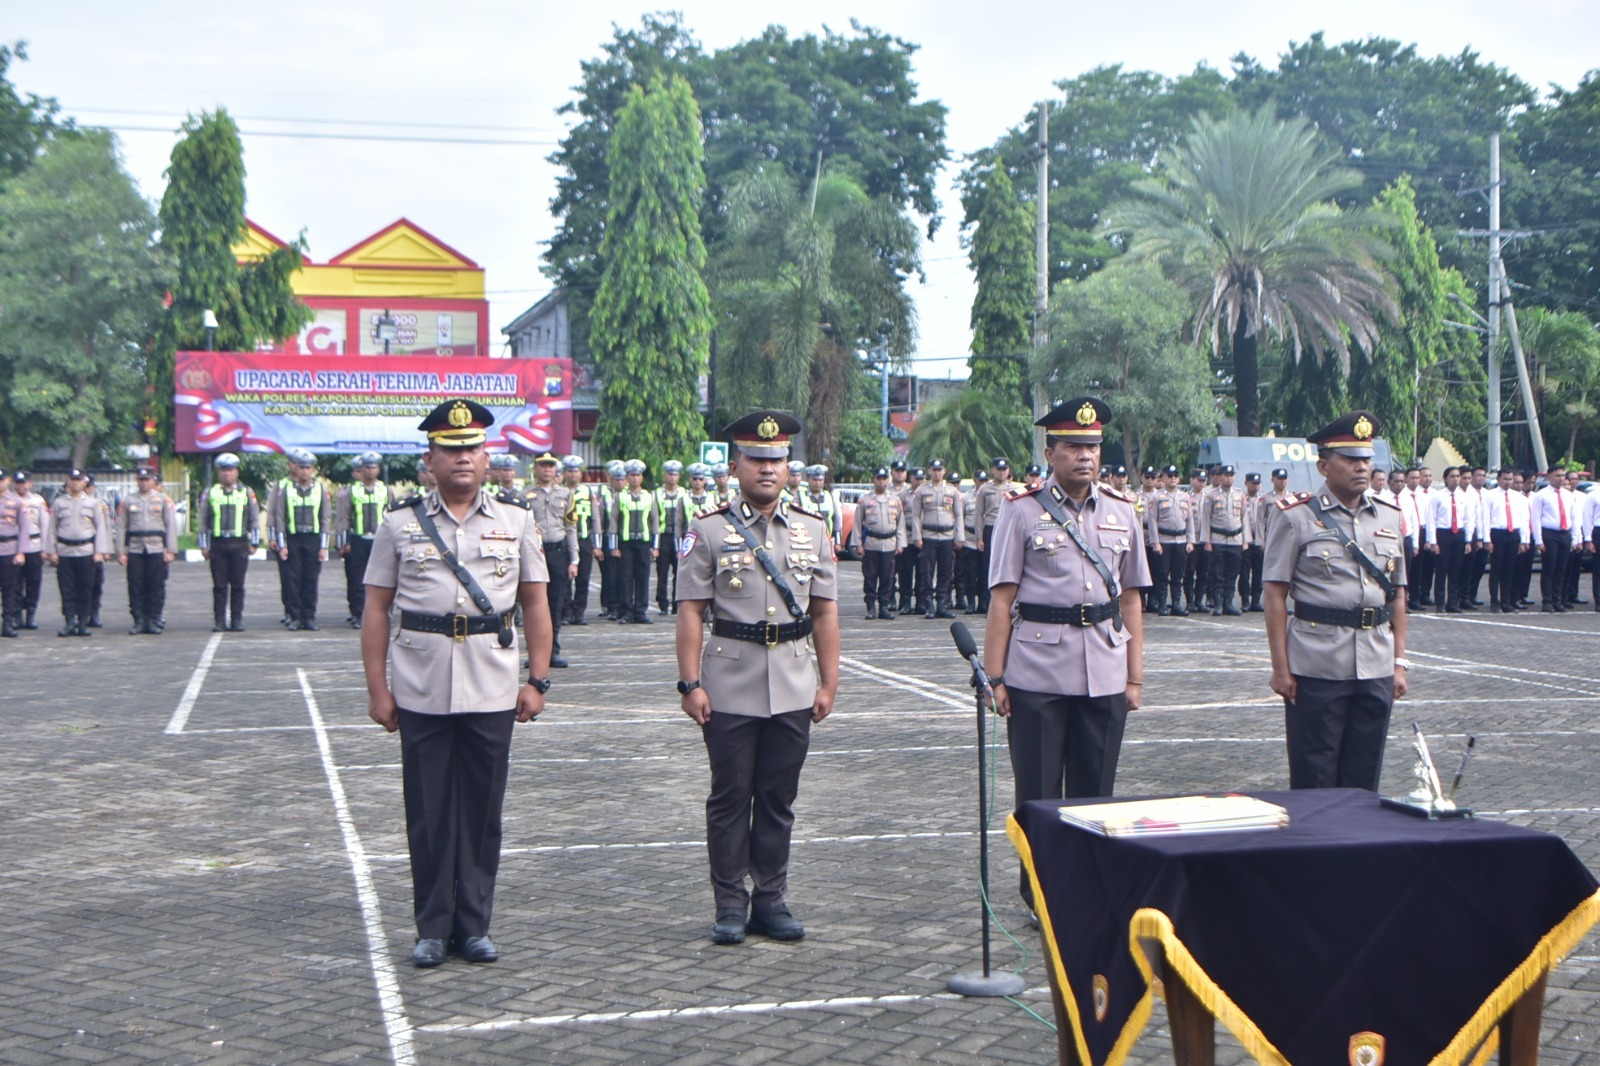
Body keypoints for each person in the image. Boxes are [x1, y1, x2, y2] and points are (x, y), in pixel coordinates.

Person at [361, 398, 552, 968]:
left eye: (471, 448)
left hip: (493, 685)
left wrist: (538, 679)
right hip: (421, 685)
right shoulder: (399, 523)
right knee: (428, 810)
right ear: (431, 459)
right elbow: (376, 609)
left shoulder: (517, 520)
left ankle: (473, 925)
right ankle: (431, 927)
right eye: (450, 449)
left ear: (487, 455)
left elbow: (537, 603)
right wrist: (378, 689)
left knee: (481, 810)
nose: (462, 458)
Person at [675, 410, 839, 945]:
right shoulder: (707, 529)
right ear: (735, 465)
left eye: (777, 459)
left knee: (776, 797)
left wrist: (829, 681)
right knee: (730, 796)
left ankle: (770, 898)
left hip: (792, 679)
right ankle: (729, 903)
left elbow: (825, 612)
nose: (768, 469)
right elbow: (691, 611)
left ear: (789, 466)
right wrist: (689, 683)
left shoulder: (812, 530)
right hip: (728, 682)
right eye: (756, 459)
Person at [984, 397, 1148, 912]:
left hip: (1104, 666)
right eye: (1073, 447)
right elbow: (1002, 598)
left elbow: (1131, 598)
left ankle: (1086, 889)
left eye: (1093, 447)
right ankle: (1040, 894)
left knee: (1095, 793)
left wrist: (1134, 677)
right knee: (1038, 793)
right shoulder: (1021, 509)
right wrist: (996, 676)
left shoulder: (1123, 511)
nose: (1085, 456)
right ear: (1050, 451)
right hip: (1037, 671)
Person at [1263, 411, 1408, 791]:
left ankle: (1358, 849)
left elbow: (1398, 594)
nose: (1361, 468)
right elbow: (1275, 595)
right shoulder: (1296, 518)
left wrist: (1400, 662)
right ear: (1324, 465)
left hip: (1375, 660)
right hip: (1317, 664)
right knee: (1315, 774)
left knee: (1365, 776)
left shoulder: (1389, 517)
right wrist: (1281, 668)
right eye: (1350, 459)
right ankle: (1314, 849)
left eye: (1366, 459)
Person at [525, 452, 578, 666]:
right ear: (535, 468)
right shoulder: (525, 495)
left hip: (558, 551)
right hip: (535, 552)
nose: (547, 470)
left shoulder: (566, 494)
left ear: (556, 469)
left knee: (556, 603)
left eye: (551, 466)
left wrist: (574, 559)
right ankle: (534, 654)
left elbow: (571, 527)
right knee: (533, 605)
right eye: (542, 465)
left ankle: (553, 650)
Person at [197, 452, 259, 632]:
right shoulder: (210, 493)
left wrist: (253, 543)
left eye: (230, 470)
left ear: (237, 472)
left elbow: (254, 519)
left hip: (239, 543)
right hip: (218, 544)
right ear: (219, 473)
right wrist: (204, 545)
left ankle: (237, 619)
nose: (227, 474)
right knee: (219, 585)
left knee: (238, 584)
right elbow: (203, 521)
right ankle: (219, 621)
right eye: (223, 470)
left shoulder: (247, 493)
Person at [45, 469, 110, 637]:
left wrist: (100, 551)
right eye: (72, 479)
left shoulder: (93, 503)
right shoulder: (59, 503)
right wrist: (51, 551)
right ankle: (69, 622)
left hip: (86, 551)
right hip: (65, 551)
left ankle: (83, 622)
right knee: (66, 589)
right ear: (68, 480)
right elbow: (52, 528)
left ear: (84, 482)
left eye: (78, 480)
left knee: (85, 587)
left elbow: (101, 528)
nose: (75, 483)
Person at [274, 449, 331, 630]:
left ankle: (310, 616)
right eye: (301, 467)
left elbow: (325, 518)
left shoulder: (320, 489)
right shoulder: (286, 489)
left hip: (313, 539)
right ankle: (295, 616)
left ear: (313, 469)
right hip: (293, 538)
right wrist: (282, 545)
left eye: (308, 468)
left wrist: (324, 547)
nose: (305, 471)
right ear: (295, 469)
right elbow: (280, 518)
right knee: (293, 579)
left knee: (311, 579)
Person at [117, 466, 179, 635]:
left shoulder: (163, 500)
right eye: (141, 479)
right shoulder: (128, 500)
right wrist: (121, 552)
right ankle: (139, 620)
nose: (144, 483)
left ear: (153, 481)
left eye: (147, 479)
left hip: (156, 547)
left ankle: (153, 619)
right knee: (135, 585)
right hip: (136, 548)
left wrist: (171, 550)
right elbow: (121, 527)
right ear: (137, 481)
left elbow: (170, 526)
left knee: (156, 585)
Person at [335, 452, 394, 629]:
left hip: (379, 540)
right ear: (361, 469)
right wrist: (343, 542)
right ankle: (357, 613)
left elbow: (392, 516)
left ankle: (381, 613)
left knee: (382, 579)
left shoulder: (386, 490)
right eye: (367, 467)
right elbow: (343, 517)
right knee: (356, 579)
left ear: (378, 469)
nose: (370, 470)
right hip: (358, 539)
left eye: (373, 467)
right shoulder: (351, 490)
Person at [908, 458, 965, 619]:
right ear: (930, 471)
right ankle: (929, 605)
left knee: (946, 572)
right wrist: (917, 537)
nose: (937, 472)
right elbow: (916, 515)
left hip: (947, 536)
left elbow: (958, 515)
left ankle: (942, 604)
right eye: (934, 469)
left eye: (940, 469)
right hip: (929, 536)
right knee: (927, 572)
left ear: (944, 471)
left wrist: (959, 537)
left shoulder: (952, 491)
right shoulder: (922, 490)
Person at [851, 465, 905, 619]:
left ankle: (884, 607)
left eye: (884, 479)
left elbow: (900, 523)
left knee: (887, 577)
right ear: (873, 480)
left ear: (888, 480)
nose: (881, 482)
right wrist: (858, 544)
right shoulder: (865, 500)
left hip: (889, 543)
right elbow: (857, 523)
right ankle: (870, 607)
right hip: (871, 543)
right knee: (870, 576)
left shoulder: (895, 499)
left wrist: (901, 543)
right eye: (878, 479)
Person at [609, 459, 658, 624]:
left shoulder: (648, 496)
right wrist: (613, 546)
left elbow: (655, 521)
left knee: (643, 577)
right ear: (627, 477)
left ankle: (641, 611)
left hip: (644, 542)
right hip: (626, 542)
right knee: (625, 577)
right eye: (632, 475)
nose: (635, 478)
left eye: (638, 475)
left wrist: (655, 546)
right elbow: (614, 522)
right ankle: (626, 612)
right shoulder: (620, 496)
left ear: (642, 477)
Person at [1423, 466, 1476, 613]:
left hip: (1458, 534)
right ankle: (1440, 602)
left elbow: (1468, 519)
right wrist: (1433, 541)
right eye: (1452, 476)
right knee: (1441, 570)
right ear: (1445, 479)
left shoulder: (1464, 497)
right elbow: (1431, 519)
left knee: (1456, 570)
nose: (1456, 479)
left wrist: (1468, 540)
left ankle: (1452, 602)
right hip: (1443, 534)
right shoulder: (1437, 496)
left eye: (1458, 476)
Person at [1530, 467, 1582, 612]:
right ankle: (1547, 600)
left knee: (1561, 568)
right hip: (1549, 534)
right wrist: (1538, 540)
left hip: (1564, 533)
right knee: (1549, 568)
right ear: (1549, 477)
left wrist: (1576, 538)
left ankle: (1557, 599)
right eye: (1557, 475)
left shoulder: (1568, 495)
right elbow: (1536, 518)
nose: (1560, 478)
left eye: (1562, 475)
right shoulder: (1541, 495)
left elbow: (1574, 517)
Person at [1200, 464, 1248, 615]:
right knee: (1217, 573)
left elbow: (1244, 518)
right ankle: (1218, 604)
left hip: (1235, 539)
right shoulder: (1212, 495)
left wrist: (1246, 540)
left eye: (1231, 475)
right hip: (1218, 539)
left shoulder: (1240, 495)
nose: (1229, 478)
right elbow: (1205, 519)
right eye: (1226, 475)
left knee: (1232, 574)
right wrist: (1206, 541)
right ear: (1220, 477)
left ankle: (1229, 603)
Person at [1483, 468, 1532, 613]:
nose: (1508, 482)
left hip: (1513, 535)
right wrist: (1487, 539)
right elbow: (1485, 518)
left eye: (1510, 479)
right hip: (1497, 534)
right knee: (1496, 569)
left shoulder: (1519, 498)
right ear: (1498, 479)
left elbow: (1524, 520)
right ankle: (1494, 601)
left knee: (1509, 570)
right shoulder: (1490, 496)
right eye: (1505, 479)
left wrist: (1524, 540)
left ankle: (1506, 601)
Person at [1147, 464, 1192, 616]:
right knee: (1162, 575)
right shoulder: (1156, 497)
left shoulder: (1185, 496)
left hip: (1180, 540)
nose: (1173, 478)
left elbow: (1190, 520)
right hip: (1164, 541)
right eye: (1169, 476)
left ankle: (1177, 605)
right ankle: (1162, 605)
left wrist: (1190, 541)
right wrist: (1155, 542)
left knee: (1178, 575)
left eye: (1176, 476)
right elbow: (1152, 521)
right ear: (1164, 478)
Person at [562, 455, 596, 625]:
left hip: (584, 539)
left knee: (583, 578)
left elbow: (595, 519)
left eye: (576, 471)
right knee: (565, 579)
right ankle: (566, 612)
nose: (573, 474)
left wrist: (597, 544)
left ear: (581, 474)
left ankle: (580, 612)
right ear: (564, 473)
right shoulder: (560, 491)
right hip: (565, 540)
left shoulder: (588, 492)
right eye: (570, 471)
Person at [0, 468, 33, 637]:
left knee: (9, 590)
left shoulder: (17, 502)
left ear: (8, 481)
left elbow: (24, 528)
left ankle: (8, 623)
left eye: (2, 479)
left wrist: (21, 552)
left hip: (9, 549)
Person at [654, 460, 689, 614]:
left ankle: (677, 603)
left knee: (679, 571)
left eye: (675, 474)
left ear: (679, 476)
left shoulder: (684, 494)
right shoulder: (657, 493)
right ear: (664, 475)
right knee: (662, 572)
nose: (672, 477)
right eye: (669, 474)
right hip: (664, 536)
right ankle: (662, 603)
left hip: (680, 536)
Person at [14, 471, 47, 630]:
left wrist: (45, 548)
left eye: (25, 482)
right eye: (19, 482)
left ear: (30, 483)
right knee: (14, 582)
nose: (22, 485)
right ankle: (17, 615)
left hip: (34, 544)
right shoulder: (9, 500)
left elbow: (45, 525)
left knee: (34, 581)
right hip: (14, 546)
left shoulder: (38, 501)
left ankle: (31, 615)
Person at [1239, 471, 1267, 611]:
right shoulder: (1241, 498)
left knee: (1259, 573)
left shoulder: (1263, 499)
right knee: (1244, 573)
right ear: (1246, 484)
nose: (1256, 486)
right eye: (1253, 483)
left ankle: (1256, 600)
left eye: (1258, 483)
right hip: (1246, 541)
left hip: (1260, 541)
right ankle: (1245, 601)